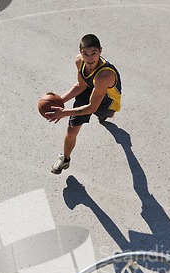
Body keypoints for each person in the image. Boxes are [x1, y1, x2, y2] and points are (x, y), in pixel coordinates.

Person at [45, 34, 122, 174]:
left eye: (94, 53)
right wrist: (59, 101)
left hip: (106, 101)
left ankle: (103, 117)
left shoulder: (104, 75)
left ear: (100, 51)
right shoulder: (79, 62)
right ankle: (65, 159)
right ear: (80, 53)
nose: (90, 58)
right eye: (85, 54)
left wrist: (63, 113)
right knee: (71, 130)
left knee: (102, 114)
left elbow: (92, 107)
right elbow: (81, 85)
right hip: (89, 90)